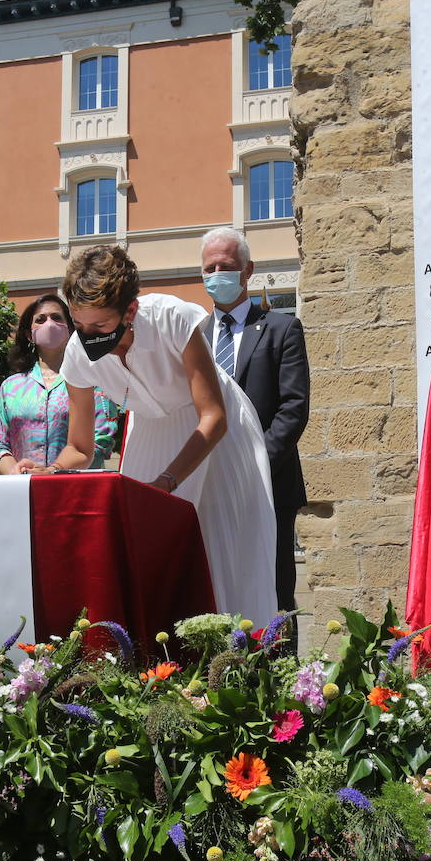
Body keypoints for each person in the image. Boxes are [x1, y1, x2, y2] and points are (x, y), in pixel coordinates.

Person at [41, 245, 277, 622]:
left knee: (224, 555)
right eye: (79, 325)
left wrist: (167, 482)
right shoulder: (77, 354)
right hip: (150, 432)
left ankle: (240, 662)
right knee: (147, 560)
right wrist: (44, 474)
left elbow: (213, 417)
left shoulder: (172, 318)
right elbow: (79, 447)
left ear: (130, 311)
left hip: (217, 435)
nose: (87, 336)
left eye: (99, 326)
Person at [197, 227, 310, 613]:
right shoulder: (194, 336)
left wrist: (254, 463)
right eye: (209, 267)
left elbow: (293, 408)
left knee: (274, 590)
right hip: (208, 487)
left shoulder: (282, 329)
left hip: (269, 483)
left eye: (225, 266)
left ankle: (280, 673)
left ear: (247, 270)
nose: (216, 274)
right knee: (216, 589)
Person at [0, 294, 120, 473]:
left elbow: (102, 442)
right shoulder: (10, 387)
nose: (49, 323)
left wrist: (52, 472)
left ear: (70, 329)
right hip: (24, 490)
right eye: (40, 320)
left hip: (78, 489)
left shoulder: (93, 382)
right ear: (29, 335)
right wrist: (17, 473)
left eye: (57, 318)